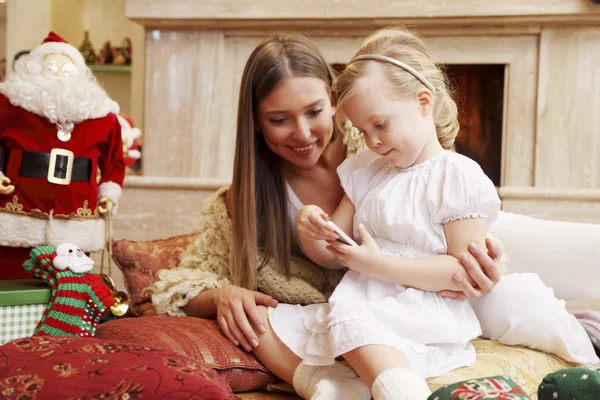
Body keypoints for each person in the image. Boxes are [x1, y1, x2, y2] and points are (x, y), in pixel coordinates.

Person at [150, 33, 505, 396]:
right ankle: (327, 386)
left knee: (518, 298)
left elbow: (443, 230)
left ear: (334, 103)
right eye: (279, 119)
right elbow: (186, 281)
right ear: (256, 121)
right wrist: (306, 229)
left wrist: (483, 267)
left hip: (407, 297)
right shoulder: (363, 164)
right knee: (266, 320)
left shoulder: (389, 147)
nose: (302, 133)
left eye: (315, 112)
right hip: (353, 303)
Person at [265, 28, 598, 399]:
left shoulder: (456, 176)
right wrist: (310, 227)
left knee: (358, 321)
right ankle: (350, 389)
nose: (372, 140)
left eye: (380, 124)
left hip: (422, 301)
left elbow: (460, 271)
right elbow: (331, 252)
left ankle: (399, 391)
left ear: (423, 102)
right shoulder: (365, 171)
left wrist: (377, 266)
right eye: (363, 130)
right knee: (284, 323)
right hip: (364, 295)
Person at [0, 32, 124, 279]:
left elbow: (114, 160)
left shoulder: (103, 115)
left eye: (67, 69)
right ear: (34, 71)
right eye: (50, 68)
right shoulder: (8, 104)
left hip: (77, 213)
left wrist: (109, 194)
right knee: (12, 283)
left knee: (71, 287)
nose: (58, 75)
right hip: (18, 211)